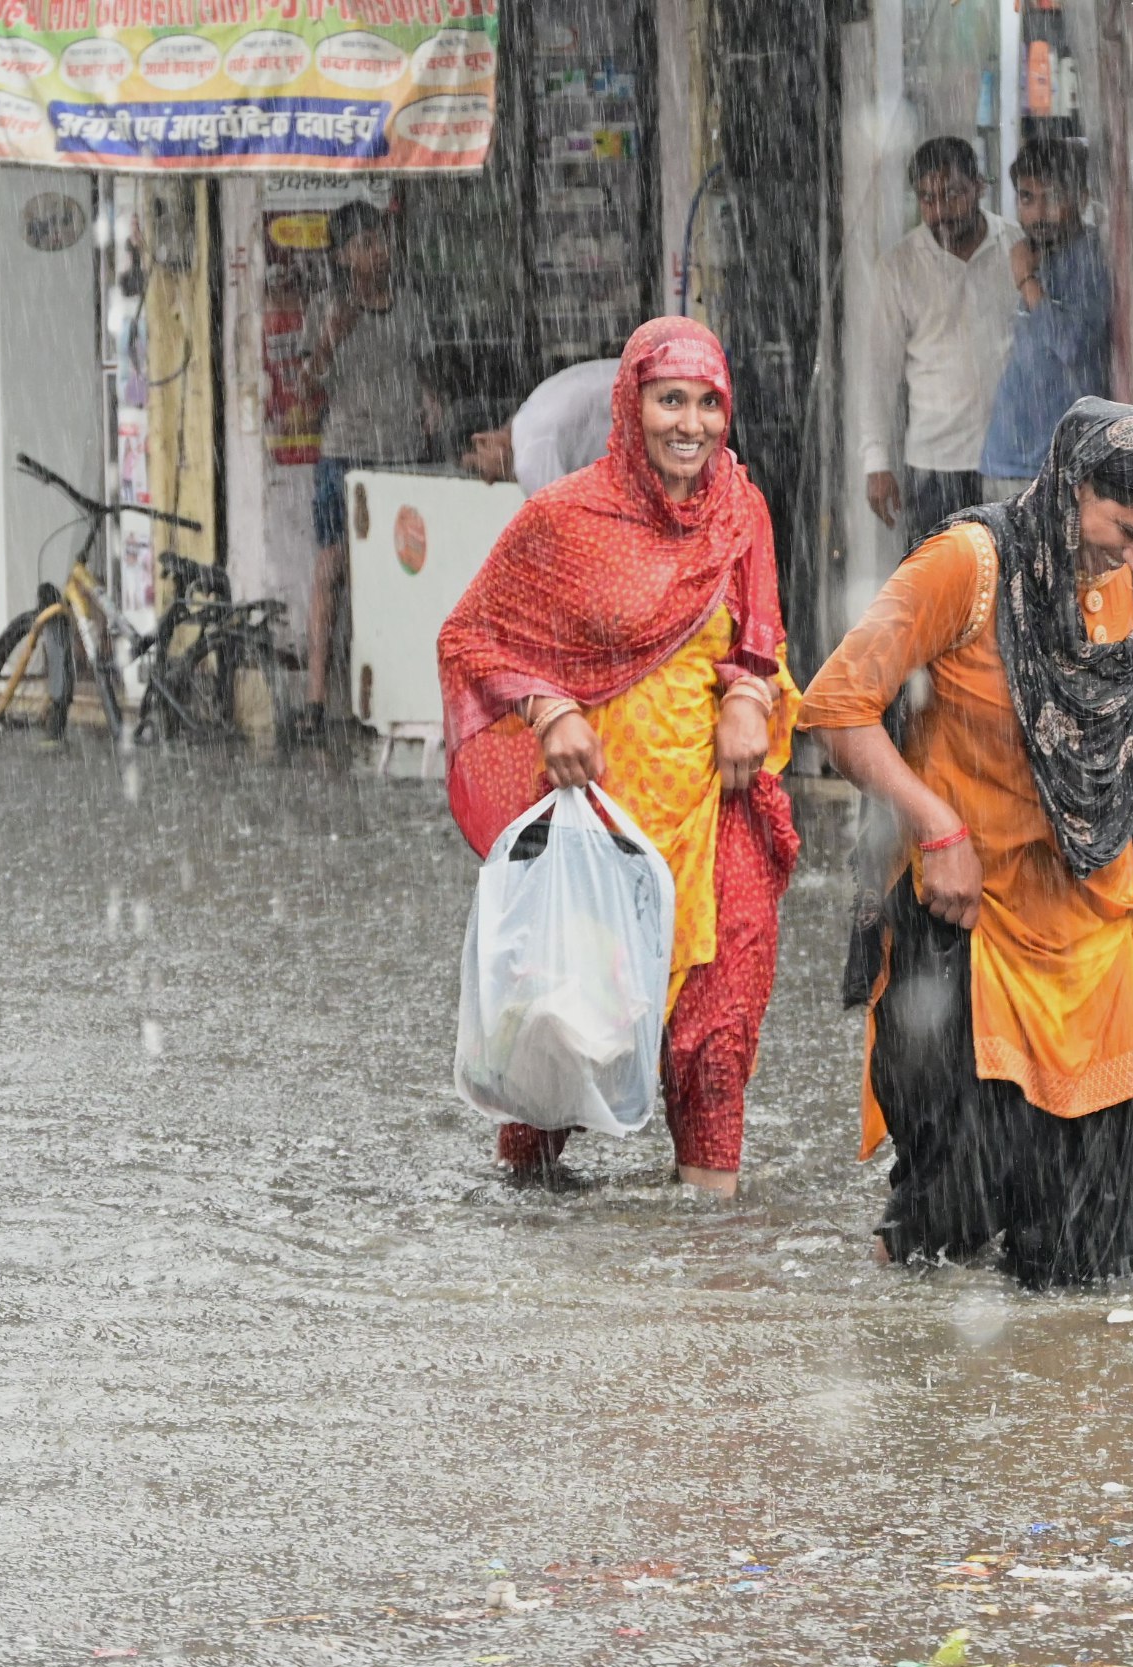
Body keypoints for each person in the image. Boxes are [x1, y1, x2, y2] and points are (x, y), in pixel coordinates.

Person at [800, 398, 1133, 1287]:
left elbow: (1123, 708)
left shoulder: (1123, 571)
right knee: (949, 1223)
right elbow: (836, 706)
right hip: (971, 919)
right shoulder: (969, 564)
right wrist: (934, 825)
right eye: (1127, 531)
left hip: (1095, 923)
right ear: (1074, 486)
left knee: (1094, 1254)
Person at [437, 318, 801, 1197]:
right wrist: (550, 708)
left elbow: (759, 640)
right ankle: (536, 1241)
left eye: (709, 403)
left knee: (716, 1048)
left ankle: (708, 1260)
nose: (692, 424)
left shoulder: (741, 510)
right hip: (598, 828)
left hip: (714, 814)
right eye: (670, 400)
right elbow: (471, 636)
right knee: (558, 1047)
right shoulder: (566, 518)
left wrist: (750, 700)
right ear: (630, 406)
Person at [302, 201, 438, 737]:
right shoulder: (326, 307)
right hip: (345, 452)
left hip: (400, 455)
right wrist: (331, 337)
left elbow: (420, 368)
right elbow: (307, 386)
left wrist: (430, 401)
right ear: (341, 256)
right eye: (363, 244)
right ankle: (316, 701)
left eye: (380, 241)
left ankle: (388, 697)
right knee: (332, 568)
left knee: (397, 572)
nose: (377, 252)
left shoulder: (410, 305)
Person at [862, 137, 1021, 548]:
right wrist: (876, 462)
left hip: (1013, 459)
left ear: (979, 187)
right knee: (939, 584)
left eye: (952, 194)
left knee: (1008, 582)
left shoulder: (1016, 247)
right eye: (927, 199)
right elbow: (878, 373)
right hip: (935, 467)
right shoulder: (898, 267)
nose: (940, 210)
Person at [978, 140, 1113, 504]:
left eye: (1052, 198)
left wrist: (1027, 283)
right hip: (1007, 458)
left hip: (1061, 466)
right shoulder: (1031, 252)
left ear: (1081, 199)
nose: (1038, 214)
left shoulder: (1090, 259)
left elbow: (1073, 345)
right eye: (1027, 198)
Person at [460, 356, 620, 493]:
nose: (489, 481)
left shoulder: (529, 457)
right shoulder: (535, 405)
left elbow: (563, 514)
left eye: (479, 470)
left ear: (482, 441)